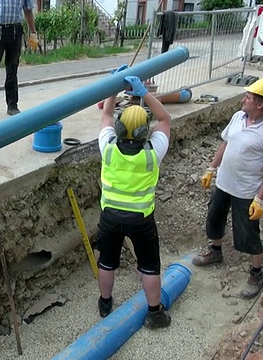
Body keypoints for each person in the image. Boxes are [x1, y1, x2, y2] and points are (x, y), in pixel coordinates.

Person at [193, 77, 263, 299]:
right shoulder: (238, 117)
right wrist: (211, 169)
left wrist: (260, 199)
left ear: (261, 104)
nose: (244, 99)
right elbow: (226, 143)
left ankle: (256, 273)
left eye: (249, 97)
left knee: (247, 233)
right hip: (224, 183)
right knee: (214, 218)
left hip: (246, 191)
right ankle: (215, 252)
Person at [96, 67, 172, 329]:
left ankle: (105, 302)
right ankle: (154, 312)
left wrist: (113, 86)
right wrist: (145, 94)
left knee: (107, 262)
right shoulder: (153, 153)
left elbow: (106, 113)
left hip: (110, 217)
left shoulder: (107, 148)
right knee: (150, 266)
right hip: (141, 220)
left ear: (119, 127)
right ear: (144, 132)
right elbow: (165, 119)